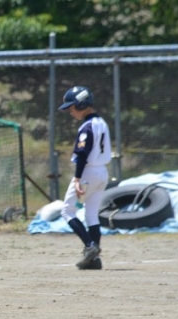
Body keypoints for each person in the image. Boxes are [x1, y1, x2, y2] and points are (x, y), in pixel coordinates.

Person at [58, 86, 112, 270]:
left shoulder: (86, 127)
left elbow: (82, 154)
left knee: (67, 211)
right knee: (91, 215)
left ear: (82, 104)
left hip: (88, 173)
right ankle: (94, 260)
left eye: (72, 107)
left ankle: (90, 247)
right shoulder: (102, 123)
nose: (70, 111)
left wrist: (77, 179)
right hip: (102, 172)